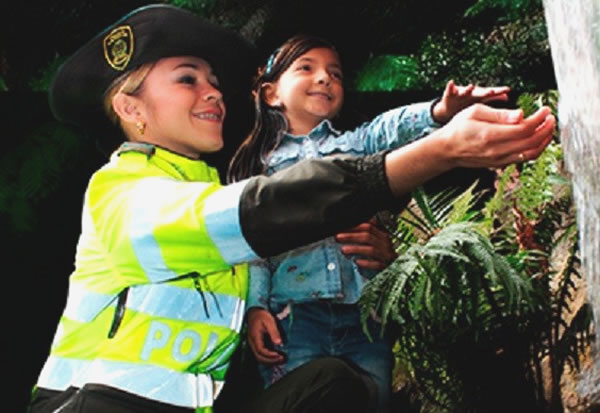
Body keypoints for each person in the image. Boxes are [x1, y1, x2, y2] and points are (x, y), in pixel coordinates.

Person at [26, 4, 555, 413]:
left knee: (332, 384)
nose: (213, 93)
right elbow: (262, 210)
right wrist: (438, 152)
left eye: (214, 82)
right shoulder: (123, 193)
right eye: (188, 78)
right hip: (95, 405)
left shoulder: (208, 186)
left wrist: (387, 250)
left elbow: (273, 230)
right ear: (130, 107)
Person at [226, 34, 514, 412]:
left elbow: (388, 128)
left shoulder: (357, 145)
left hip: (365, 313)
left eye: (335, 74)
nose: (325, 78)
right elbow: (254, 249)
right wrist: (255, 308)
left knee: (371, 399)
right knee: (305, 401)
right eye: (306, 68)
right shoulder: (257, 173)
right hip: (294, 317)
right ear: (271, 94)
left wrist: (439, 112)